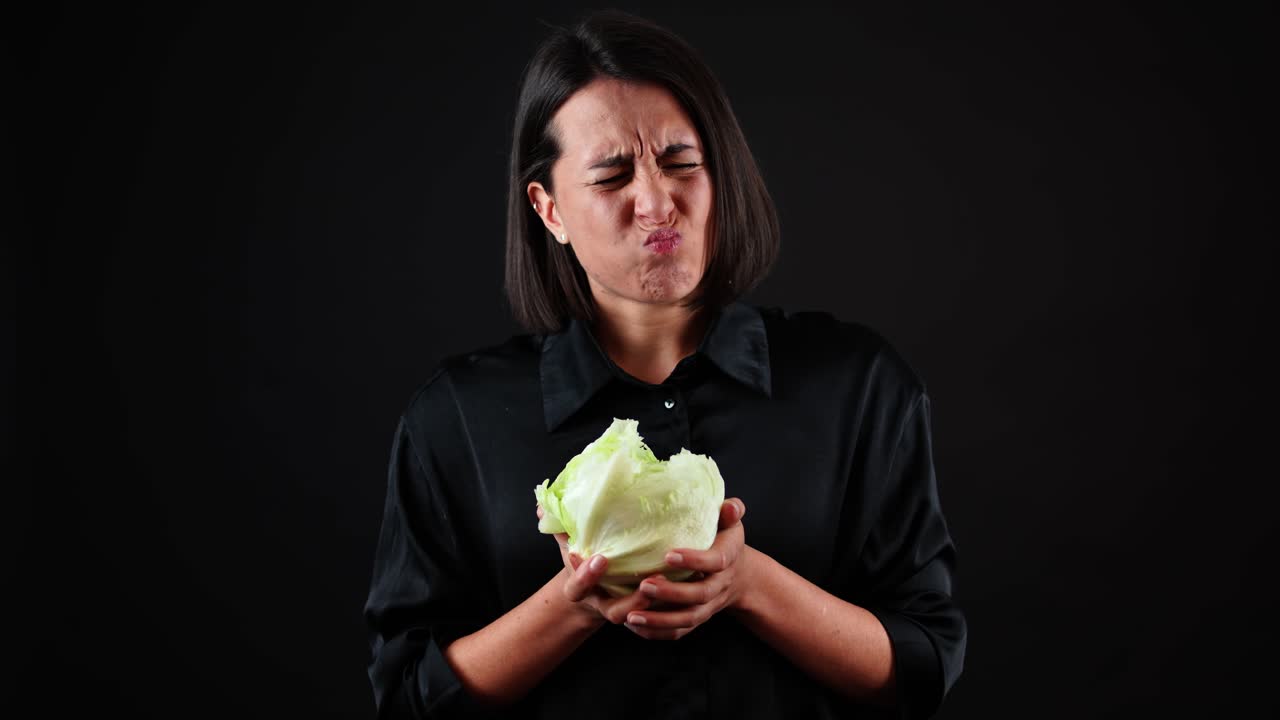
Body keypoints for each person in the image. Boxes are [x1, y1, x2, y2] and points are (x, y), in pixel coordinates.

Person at [363, 9, 966, 719]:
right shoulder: (457, 418)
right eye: (611, 175)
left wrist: (750, 584)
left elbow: (923, 667)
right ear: (549, 210)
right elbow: (408, 696)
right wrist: (575, 602)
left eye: (681, 164)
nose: (657, 203)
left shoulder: (858, 387)